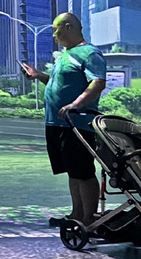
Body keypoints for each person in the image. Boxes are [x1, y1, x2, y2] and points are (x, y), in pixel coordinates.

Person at [22, 12, 107, 228]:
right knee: (73, 171)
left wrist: (75, 105)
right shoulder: (66, 56)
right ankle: (77, 215)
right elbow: (58, 84)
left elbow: (98, 83)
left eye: (55, 30)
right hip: (57, 124)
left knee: (83, 172)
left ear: (68, 27)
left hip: (77, 124)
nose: (54, 35)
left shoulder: (90, 53)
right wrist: (38, 75)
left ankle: (89, 219)